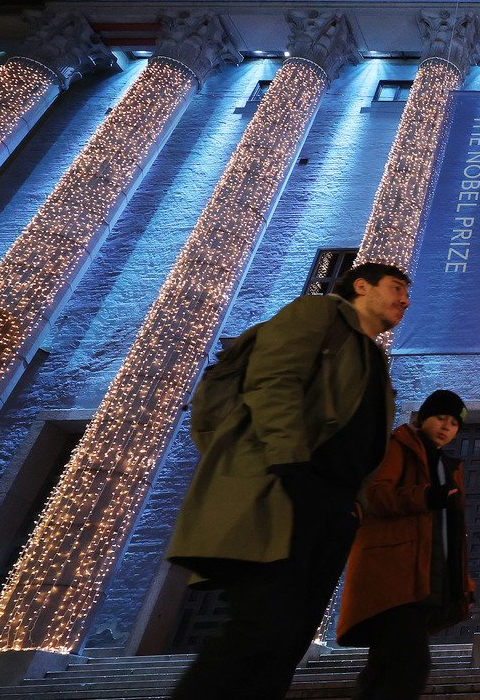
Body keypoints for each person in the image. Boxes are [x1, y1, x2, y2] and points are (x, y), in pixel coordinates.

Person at [166, 262, 409, 700]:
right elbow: (274, 380)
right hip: (289, 492)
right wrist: (290, 464)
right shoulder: (316, 313)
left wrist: (353, 503)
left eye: (406, 295)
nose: (404, 301)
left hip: (334, 509)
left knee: (288, 641)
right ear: (360, 285)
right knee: (259, 626)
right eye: (396, 289)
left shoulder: (372, 355)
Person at [337, 390, 474, 700]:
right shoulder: (398, 447)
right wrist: (424, 496)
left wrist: (462, 583)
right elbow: (375, 495)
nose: (446, 427)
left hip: (424, 576)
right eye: (440, 418)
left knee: (388, 667)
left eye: (453, 423)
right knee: (408, 665)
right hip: (396, 573)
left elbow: (451, 531)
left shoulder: (446, 464)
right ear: (423, 417)